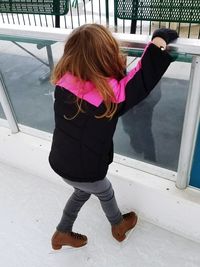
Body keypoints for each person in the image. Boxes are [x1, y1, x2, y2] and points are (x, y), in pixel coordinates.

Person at [49, 24, 178, 249]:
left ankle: (62, 231)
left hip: (61, 161)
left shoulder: (63, 82)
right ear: (107, 56)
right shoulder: (109, 96)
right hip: (86, 170)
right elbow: (142, 78)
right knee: (104, 191)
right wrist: (158, 41)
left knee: (81, 192)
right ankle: (118, 225)